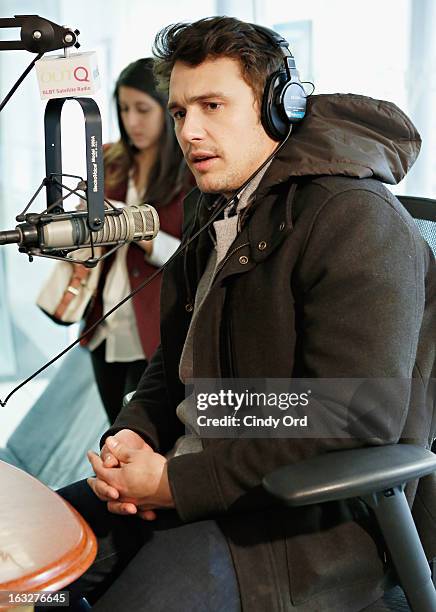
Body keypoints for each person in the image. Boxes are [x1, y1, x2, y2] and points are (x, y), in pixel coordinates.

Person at [57, 17, 435, 612]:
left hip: (303, 521)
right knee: (26, 571)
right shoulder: (220, 211)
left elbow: (352, 413)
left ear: (279, 107)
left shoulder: (353, 217)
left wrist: (174, 482)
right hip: (204, 479)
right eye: (181, 112)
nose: (191, 131)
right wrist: (136, 432)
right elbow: (173, 365)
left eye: (213, 105)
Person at [80, 58, 189, 424]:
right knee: (115, 427)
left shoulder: (191, 171)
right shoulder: (109, 160)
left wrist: (130, 225)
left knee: (142, 433)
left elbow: (189, 258)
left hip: (152, 329)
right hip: (103, 324)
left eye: (143, 109)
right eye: (124, 109)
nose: (132, 121)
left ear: (166, 108)